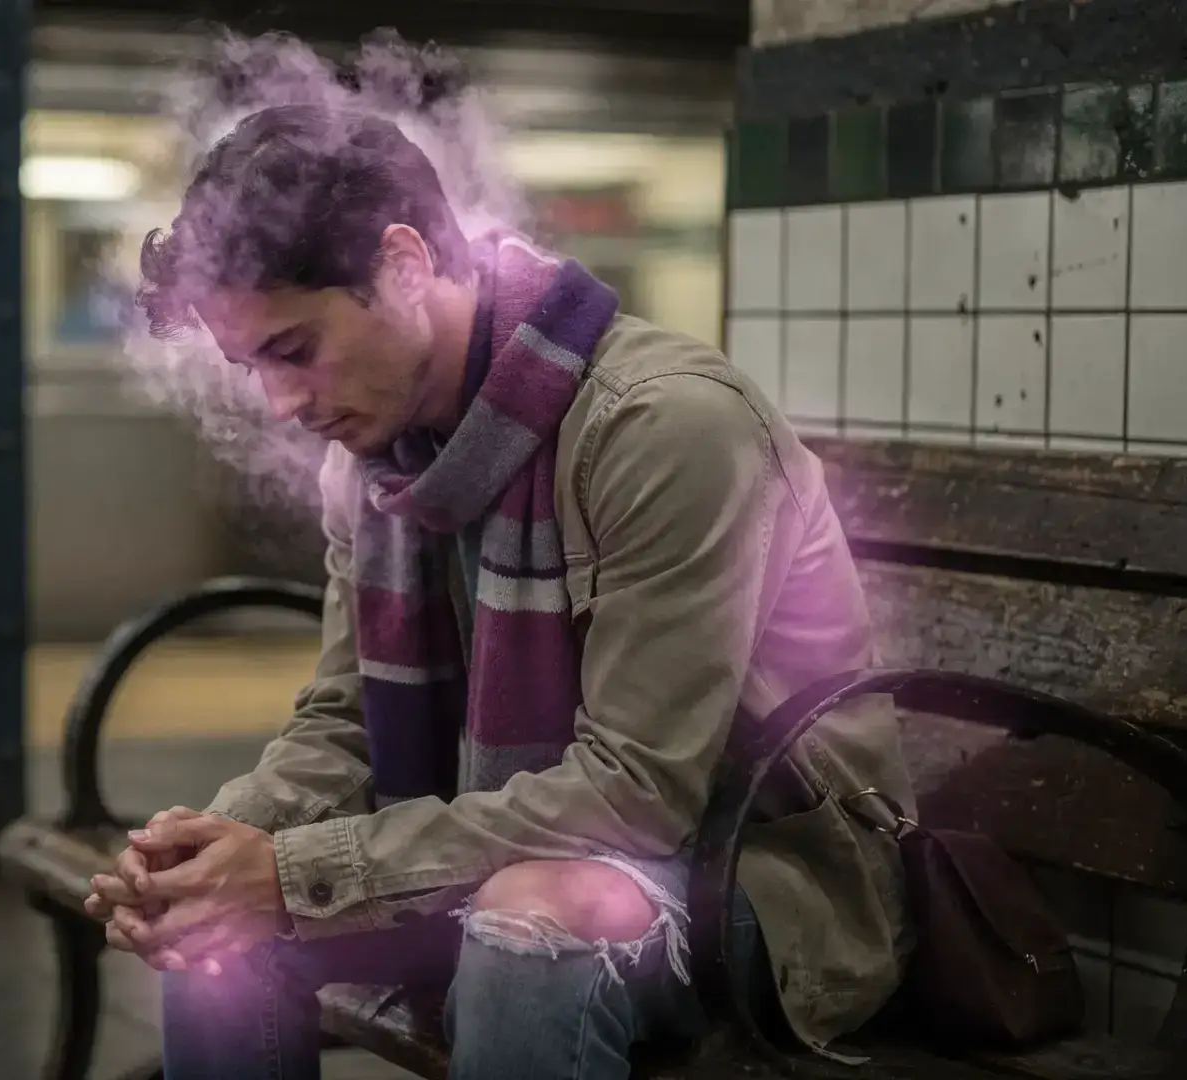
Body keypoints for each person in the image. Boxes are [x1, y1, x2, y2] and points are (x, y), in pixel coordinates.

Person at [84, 101, 916, 1079]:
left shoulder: (662, 429)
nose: (281, 404)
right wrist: (227, 841)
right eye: (248, 366)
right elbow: (346, 720)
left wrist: (297, 873)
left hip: (759, 873)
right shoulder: (376, 462)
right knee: (222, 930)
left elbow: (638, 797)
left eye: (294, 349)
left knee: (534, 929)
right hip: (513, 852)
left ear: (403, 262)